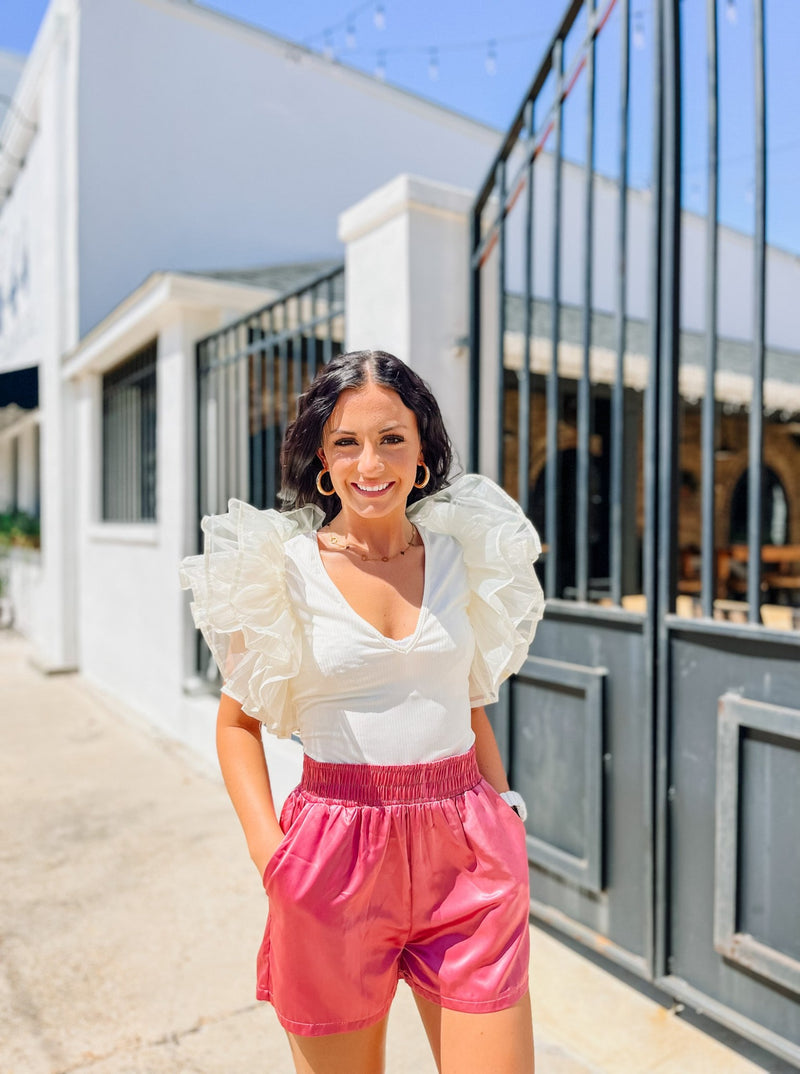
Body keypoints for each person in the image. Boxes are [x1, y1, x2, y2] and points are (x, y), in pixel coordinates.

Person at [179, 350, 544, 1074]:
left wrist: (504, 809)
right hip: (333, 857)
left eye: (391, 439)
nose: (369, 463)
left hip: (468, 849)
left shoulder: (461, 556)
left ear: (423, 452)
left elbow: (467, 699)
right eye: (346, 441)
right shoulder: (281, 571)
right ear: (322, 456)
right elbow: (237, 725)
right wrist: (271, 854)